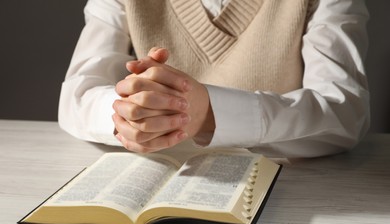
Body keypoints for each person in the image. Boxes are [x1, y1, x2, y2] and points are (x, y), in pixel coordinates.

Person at [58, 0, 370, 158]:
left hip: (282, 195)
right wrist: (129, 113)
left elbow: (344, 112)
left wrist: (208, 114)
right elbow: (77, 95)